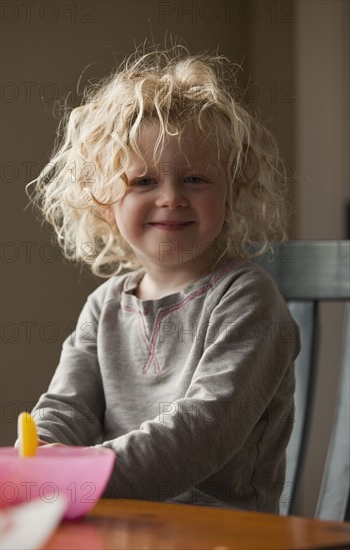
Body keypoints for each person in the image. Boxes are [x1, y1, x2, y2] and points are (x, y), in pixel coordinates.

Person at [27, 45, 300, 513]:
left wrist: (81, 475)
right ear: (105, 203)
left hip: (225, 534)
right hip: (123, 524)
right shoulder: (104, 305)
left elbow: (205, 431)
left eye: (195, 179)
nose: (171, 198)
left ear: (233, 193)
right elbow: (67, 407)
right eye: (143, 182)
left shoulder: (248, 298)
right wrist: (38, 455)